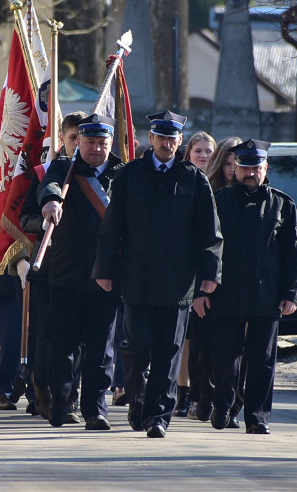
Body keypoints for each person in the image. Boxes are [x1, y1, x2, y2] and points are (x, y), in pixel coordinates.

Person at [93, 111, 223, 438]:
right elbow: (111, 230)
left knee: (168, 351)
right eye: (161, 137)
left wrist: (209, 275)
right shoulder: (129, 176)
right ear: (150, 139)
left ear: (180, 140)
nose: (167, 144)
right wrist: (105, 270)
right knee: (136, 349)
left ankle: (159, 416)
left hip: (177, 282)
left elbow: (211, 233)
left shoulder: (193, 179)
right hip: (136, 279)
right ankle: (137, 402)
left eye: (173, 138)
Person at [208, 139, 297, 435]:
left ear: (266, 168)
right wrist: (202, 289)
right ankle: (223, 403)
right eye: (245, 167)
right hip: (227, 292)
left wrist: (291, 294)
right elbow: (205, 245)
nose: (250, 173)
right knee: (227, 357)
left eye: (256, 168)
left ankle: (257, 416)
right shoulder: (218, 201)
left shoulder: (283, 204)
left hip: (266, 293)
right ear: (235, 168)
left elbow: (294, 253)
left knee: (262, 360)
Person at [38, 114, 125, 430]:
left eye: (102, 143)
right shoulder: (65, 168)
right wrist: (50, 201)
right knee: (62, 346)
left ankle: (95, 409)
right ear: (79, 143)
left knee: (101, 350)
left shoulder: (122, 174)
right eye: (89, 142)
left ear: (110, 143)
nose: (96, 148)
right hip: (67, 274)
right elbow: (48, 185)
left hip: (107, 276)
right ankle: (61, 403)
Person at [20, 112, 87, 421]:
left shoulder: (96, 174)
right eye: (72, 138)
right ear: (62, 139)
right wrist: (48, 220)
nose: (77, 143)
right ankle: (41, 392)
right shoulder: (45, 171)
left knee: (76, 337)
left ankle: (68, 397)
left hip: (81, 267)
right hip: (48, 264)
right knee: (47, 335)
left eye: (82, 138)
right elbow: (26, 217)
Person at [186, 135, 241, 422]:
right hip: (208, 282)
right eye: (228, 163)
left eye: (238, 163)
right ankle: (201, 396)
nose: (233, 169)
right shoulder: (207, 192)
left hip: (238, 286)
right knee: (203, 346)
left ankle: (230, 403)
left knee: (231, 351)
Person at [174, 131, 217, 415]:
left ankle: (202, 393)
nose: (203, 156)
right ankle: (182, 392)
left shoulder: (218, 185)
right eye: (198, 151)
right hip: (182, 272)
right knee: (185, 339)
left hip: (208, 271)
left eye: (208, 152)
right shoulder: (184, 179)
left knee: (205, 338)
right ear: (188, 153)